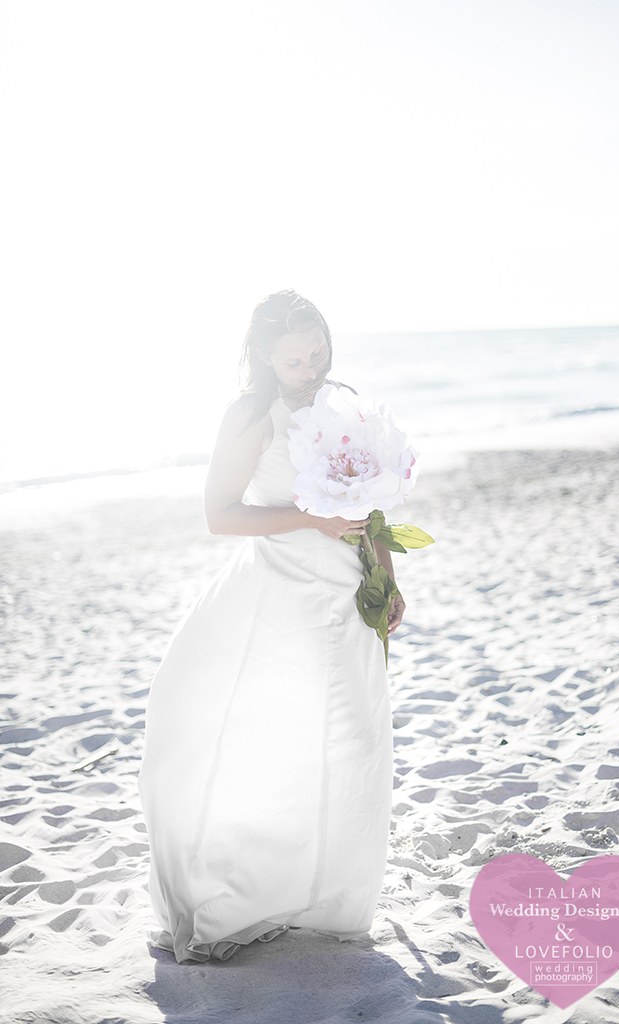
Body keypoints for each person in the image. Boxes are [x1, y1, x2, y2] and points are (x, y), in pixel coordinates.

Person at [138, 290, 405, 964]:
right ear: (265, 357)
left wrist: (389, 578)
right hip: (278, 591)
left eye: (318, 350)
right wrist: (312, 520)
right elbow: (220, 514)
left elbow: (370, 506)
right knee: (270, 738)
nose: (311, 366)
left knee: (351, 743)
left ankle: (328, 902)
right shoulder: (254, 415)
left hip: (347, 595)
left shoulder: (342, 399)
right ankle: (242, 889)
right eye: (296, 358)